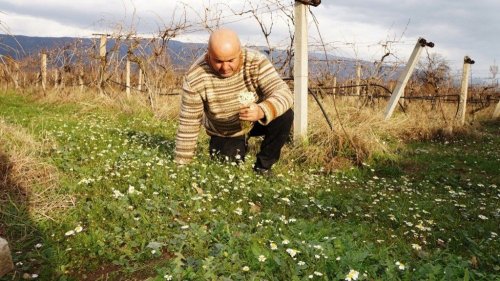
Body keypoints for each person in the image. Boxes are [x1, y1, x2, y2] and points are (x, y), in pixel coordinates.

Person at [174, 28, 294, 174]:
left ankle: (263, 167)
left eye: (231, 60)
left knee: (285, 115)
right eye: (218, 61)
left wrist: (262, 110)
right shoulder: (195, 77)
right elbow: (189, 122)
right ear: (208, 55)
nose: (225, 67)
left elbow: (284, 93)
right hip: (225, 130)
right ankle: (236, 146)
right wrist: (181, 167)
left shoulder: (256, 61)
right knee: (227, 171)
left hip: (255, 119)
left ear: (240, 53)